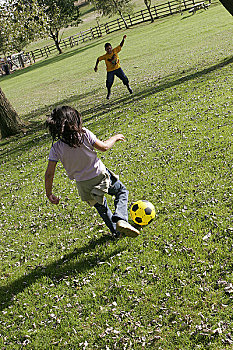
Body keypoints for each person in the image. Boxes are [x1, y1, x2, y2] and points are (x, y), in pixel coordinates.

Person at [45, 106, 140, 239]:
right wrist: (115, 137)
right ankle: (121, 219)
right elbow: (104, 147)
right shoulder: (84, 134)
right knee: (121, 191)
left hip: (83, 185)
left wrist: (49, 193)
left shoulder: (56, 148)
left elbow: (49, 174)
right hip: (100, 176)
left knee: (103, 209)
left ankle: (117, 233)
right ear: (75, 122)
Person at [94, 35, 133, 99]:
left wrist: (123, 39)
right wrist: (96, 66)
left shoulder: (115, 51)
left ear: (111, 47)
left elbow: (121, 45)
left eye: (109, 48)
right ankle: (109, 92)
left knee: (124, 78)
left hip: (118, 68)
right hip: (110, 71)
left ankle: (128, 87)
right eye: (107, 49)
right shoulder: (105, 56)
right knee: (109, 82)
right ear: (105, 50)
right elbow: (98, 59)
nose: (109, 50)